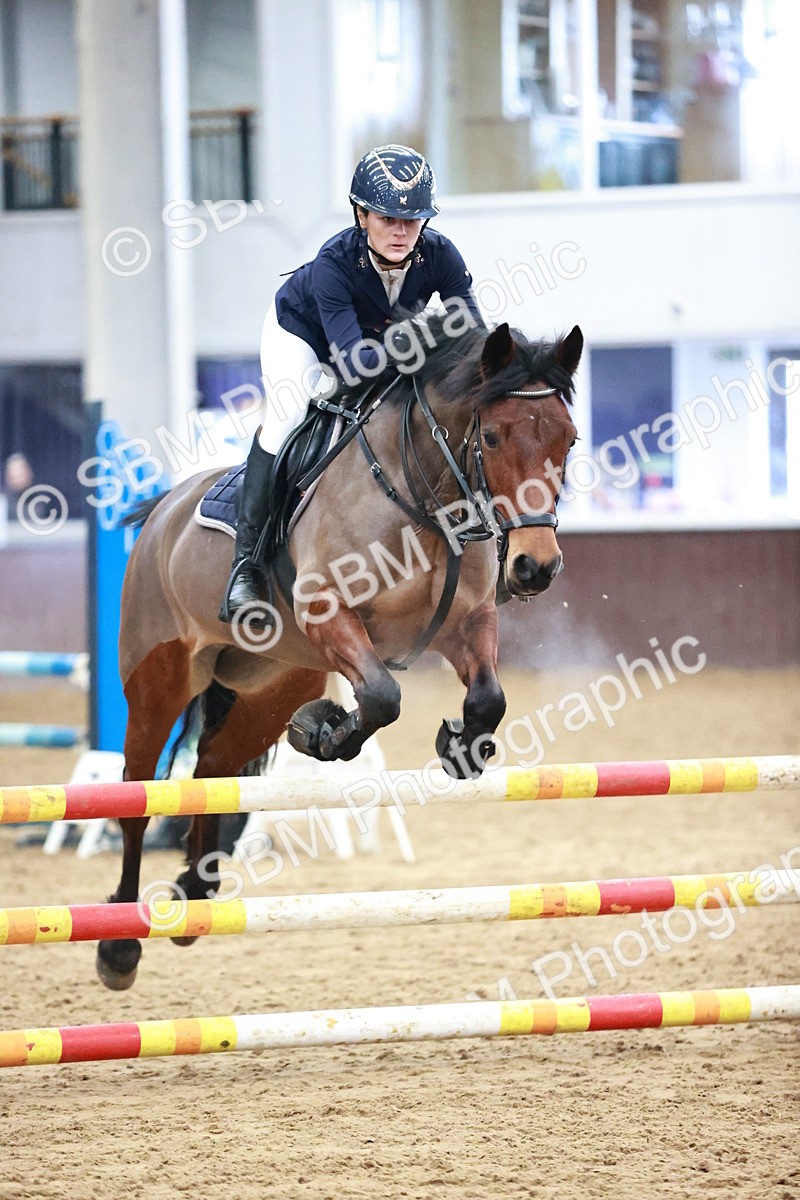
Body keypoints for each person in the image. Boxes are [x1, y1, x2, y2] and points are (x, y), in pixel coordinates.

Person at [220, 143, 483, 624]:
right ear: (361, 215)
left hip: (375, 347)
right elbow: (353, 365)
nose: (402, 231)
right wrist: (425, 339)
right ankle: (247, 564)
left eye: (413, 219)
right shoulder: (333, 264)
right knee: (287, 418)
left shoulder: (440, 254)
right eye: (387, 219)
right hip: (304, 337)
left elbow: (474, 338)